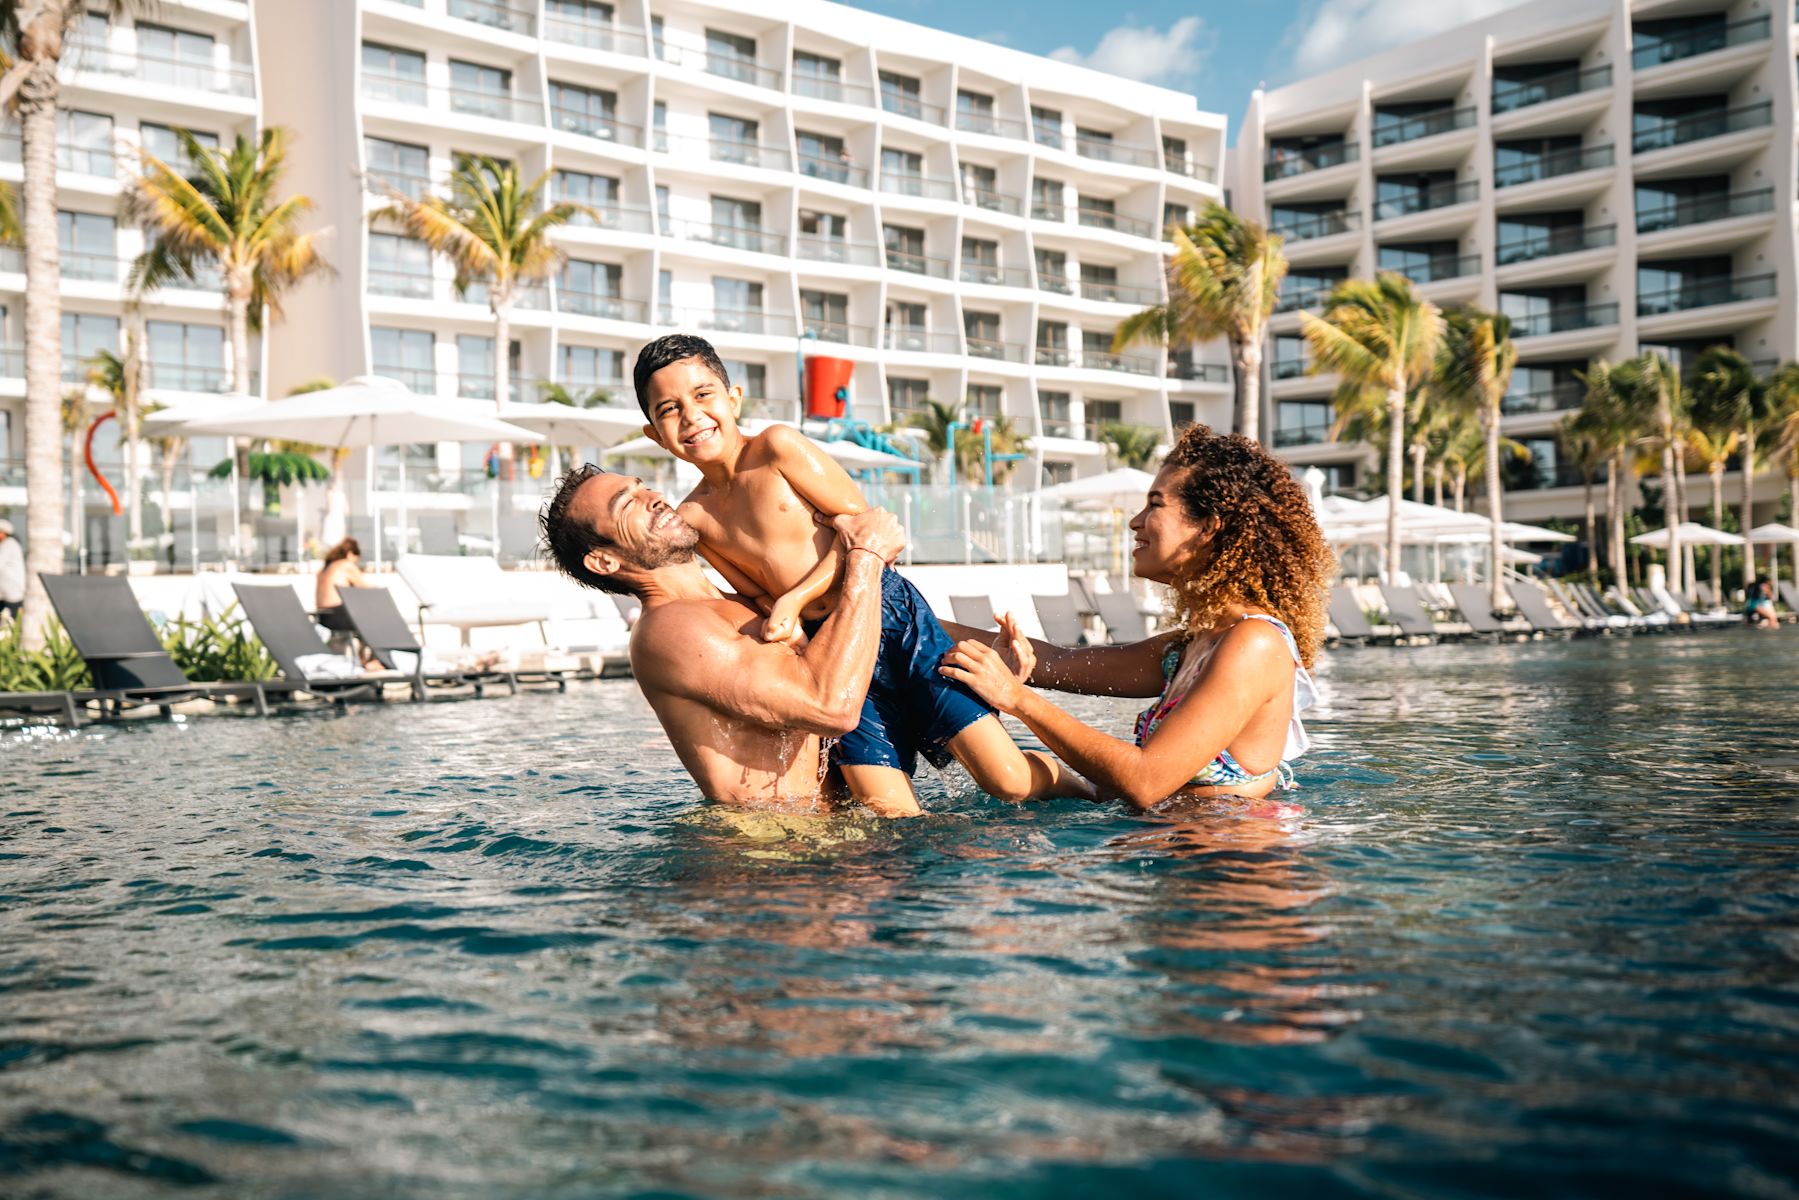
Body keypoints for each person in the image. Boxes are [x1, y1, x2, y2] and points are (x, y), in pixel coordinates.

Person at [630, 333, 1089, 816]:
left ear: (734, 398)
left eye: (703, 395)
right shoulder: (696, 520)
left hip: (890, 614)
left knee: (1007, 780)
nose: (692, 417)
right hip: (835, 653)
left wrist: (793, 599)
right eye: (669, 409)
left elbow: (870, 534)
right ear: (655, 435)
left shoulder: (776, 449)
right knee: (885, 808)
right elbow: (757, 596)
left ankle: (1083, 788)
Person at [939, 423, 1335, 812]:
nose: (1135, 521)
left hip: (1225, 869)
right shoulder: (1186, 648)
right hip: (1170, 860)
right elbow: (1056, 663)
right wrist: (905, 610)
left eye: (1156, 504)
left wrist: (1017, 699)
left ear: (1208, 528)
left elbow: (1145, 782)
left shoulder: (1255, 644)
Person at [541, 463, 902, 808]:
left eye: (642, 486)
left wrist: (958, 646)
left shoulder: (743, 603)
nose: (652, 496)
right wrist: (866, 556)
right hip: (771, 853)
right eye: (626, 503)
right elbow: (829, 707)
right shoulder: (669, 630)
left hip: (824, 837)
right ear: (604, 561)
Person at [315, 538, 372, 663]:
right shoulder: (345, 565)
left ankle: (362, 659)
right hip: (338, 614)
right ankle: (368, 660)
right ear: (351, 554)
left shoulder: (324, 569)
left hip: (323, 617)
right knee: (373, 620)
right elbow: (366, 589)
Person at [0, 518, 24, 624]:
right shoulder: (5, 545)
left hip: (12, 591)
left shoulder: (9, 544)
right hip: (6, 592)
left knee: (11, 620)